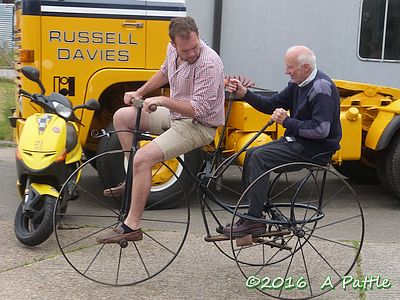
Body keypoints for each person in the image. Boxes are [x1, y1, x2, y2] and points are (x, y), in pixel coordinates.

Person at [96, 16, 225, 244]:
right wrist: (140, 92)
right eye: (186, 50)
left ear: (198, 36)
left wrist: (164, 101)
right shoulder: (172, 49)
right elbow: (165, 71)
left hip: (198, 125)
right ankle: (132, 179)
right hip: (176, 116)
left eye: (195, 47)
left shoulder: (209, 63)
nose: (192, 53)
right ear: (174, 44)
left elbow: (198, 110)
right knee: (122, 117)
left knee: (143, 158)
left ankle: (132, 226)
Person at [223, 45, 342, 238]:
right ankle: (254, 213)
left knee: (260, 157)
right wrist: (245, 93)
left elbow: (321, 130)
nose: (286, 71)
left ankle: (254, 220)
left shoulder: (321, 88)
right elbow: (271, 104)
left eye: (290, 67)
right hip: (298, 141)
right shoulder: (298, 84)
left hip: (315, 149)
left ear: (305, 68)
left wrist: (287, 121)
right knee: (251, 153)